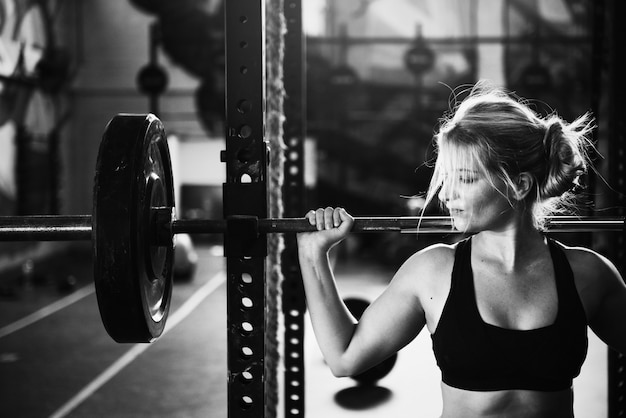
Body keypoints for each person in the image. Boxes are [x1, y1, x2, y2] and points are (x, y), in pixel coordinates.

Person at [296, 81, 626, 418]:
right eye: (447, 178)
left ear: (519, 185)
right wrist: (313, 255)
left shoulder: (589, 274)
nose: (446, 194)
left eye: (465, 179)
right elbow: (344, 357)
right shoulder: (432, 271)